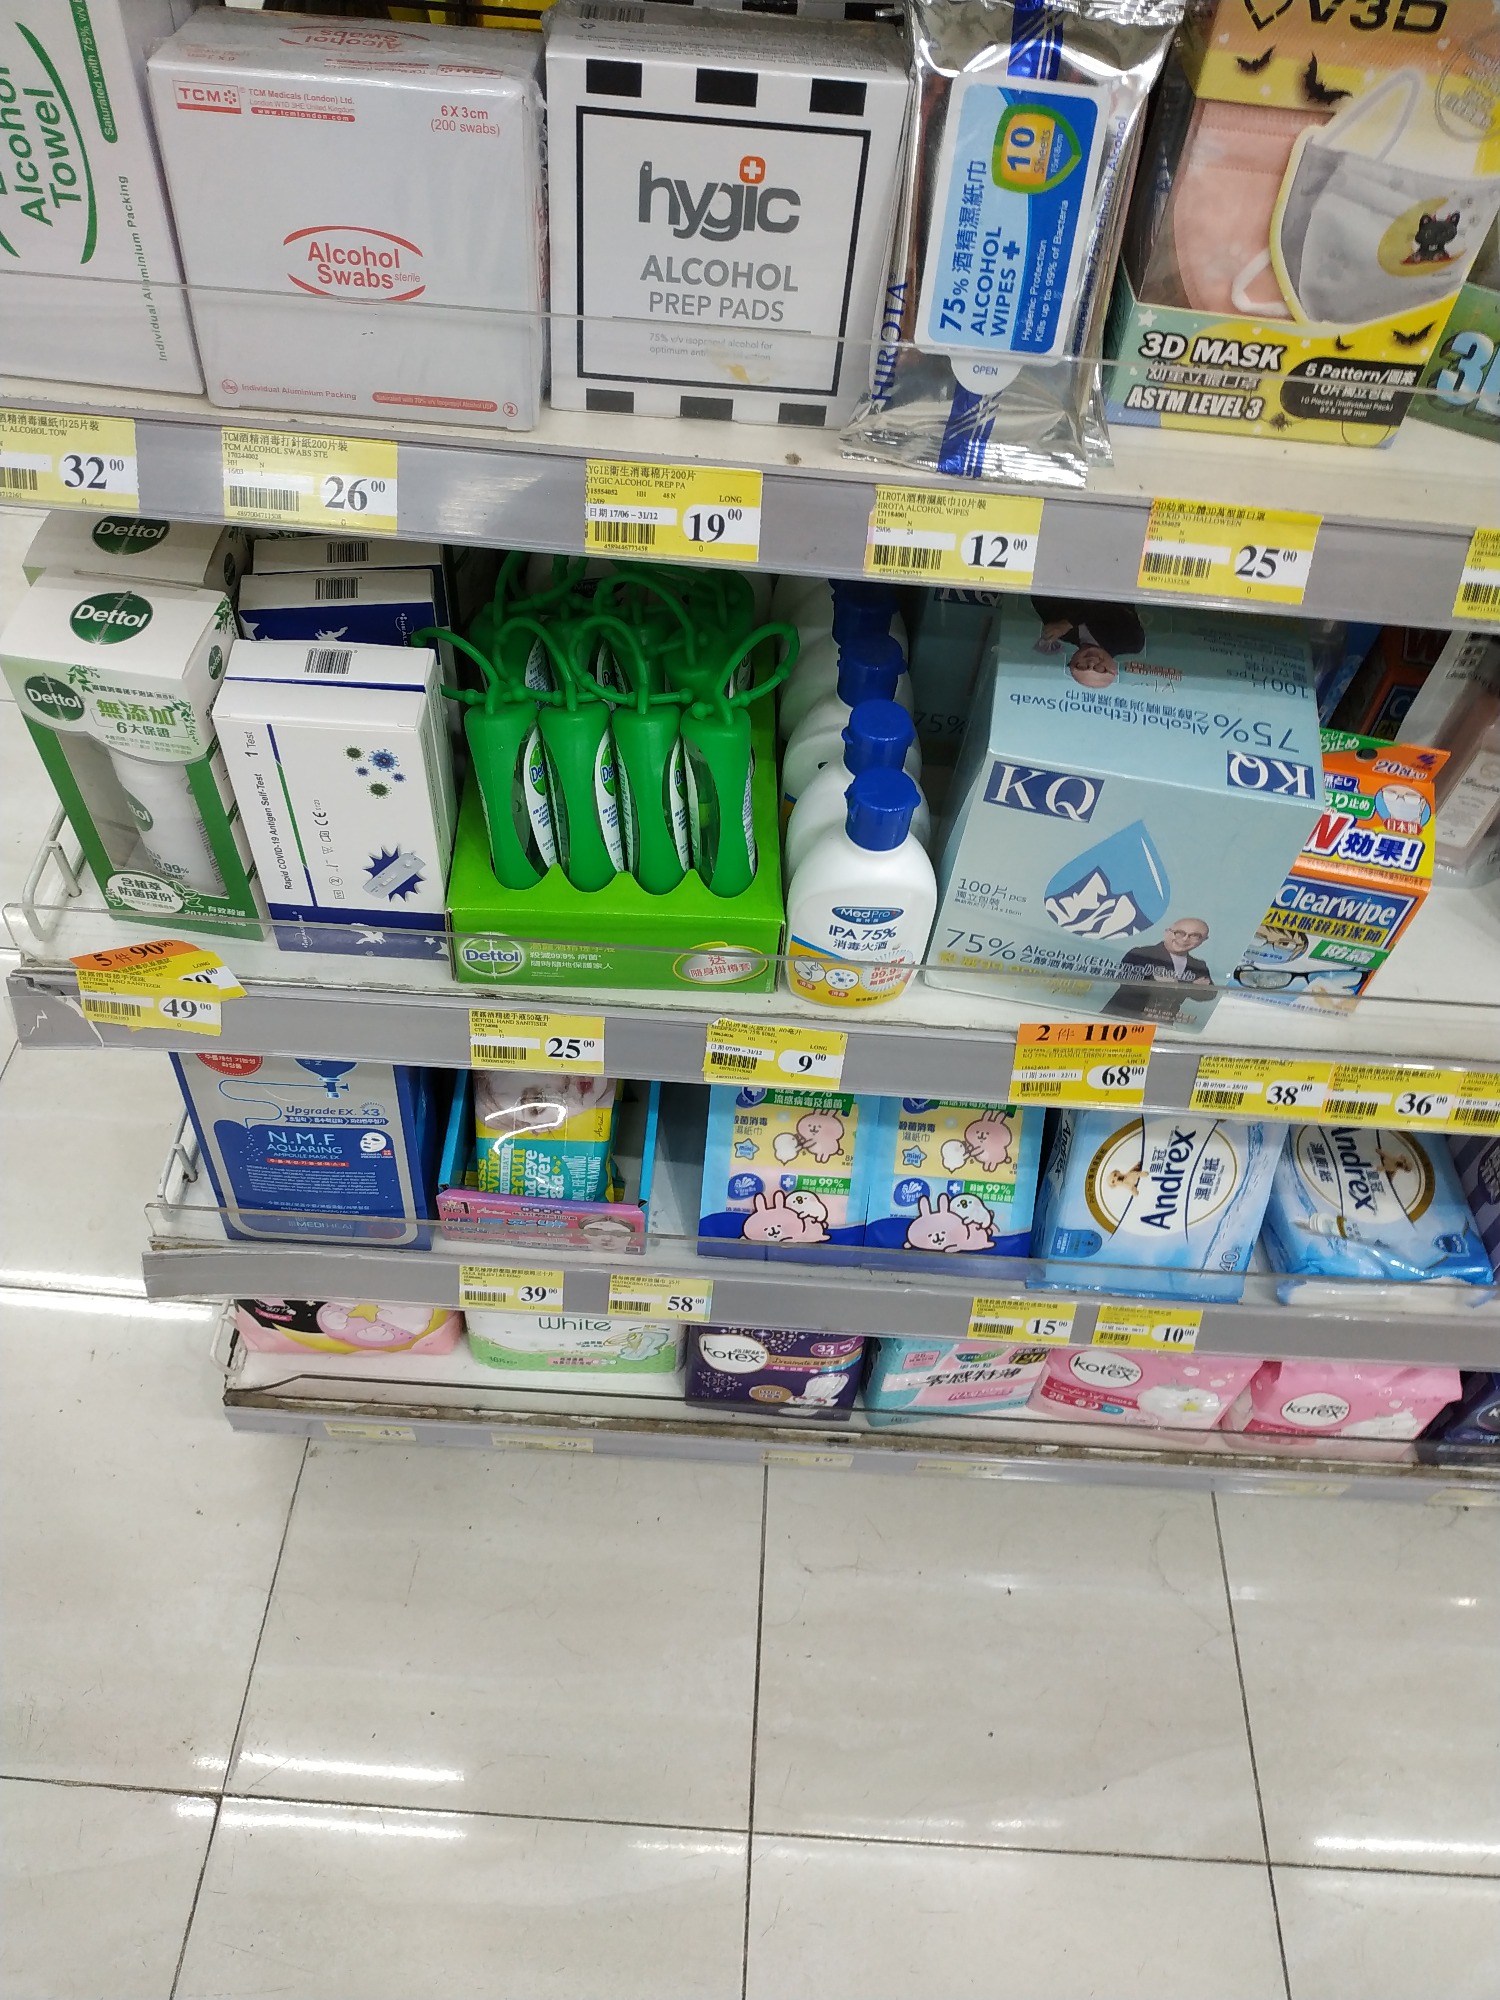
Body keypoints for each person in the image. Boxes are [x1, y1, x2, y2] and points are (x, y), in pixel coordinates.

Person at [1107, 916, 1213, 1021]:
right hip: (1120, 1019)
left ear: (1203, 940)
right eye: (1179, 933)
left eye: (1194, 936)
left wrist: (1172, 984)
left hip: (1163, 1024)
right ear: (1167, 932)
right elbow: (1132, 983)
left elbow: (1209, 994)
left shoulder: (1198, 965)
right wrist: (1189, 986)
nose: (1185, 939)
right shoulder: (1141, 954)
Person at [1031, 596, 1146, 688]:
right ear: (1114, 668)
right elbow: (1109, 603)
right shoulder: (1130, 642)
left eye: (1082, 666)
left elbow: (1040, 595)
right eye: (1100, 669)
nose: (1091, 662)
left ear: (1072, 661)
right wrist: (1068, 623)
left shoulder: (1062, 634)